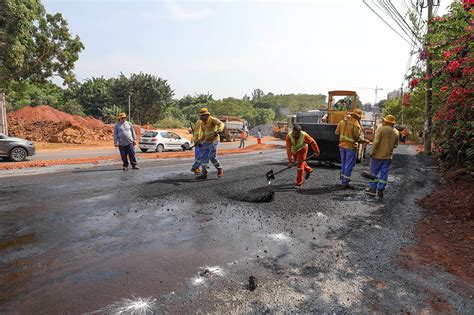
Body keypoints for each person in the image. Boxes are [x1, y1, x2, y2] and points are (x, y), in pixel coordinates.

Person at [365, 115, 399, 197]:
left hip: (377, 155)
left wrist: (372, 152)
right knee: (384, 173)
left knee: (374, 172)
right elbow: (395, 146)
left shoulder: (381, 129)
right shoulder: (396, 132)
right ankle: (381, 189)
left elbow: (376, 142)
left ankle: (372, 189)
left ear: (386, 121)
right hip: (388, 156)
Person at [335, 108, 368, 189]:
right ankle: (345, 183)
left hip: (342, 146)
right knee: (349, 165)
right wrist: (365, 141)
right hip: (351, 147)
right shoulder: (356, 124)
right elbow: (356, 138)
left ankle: (343, 179)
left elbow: (336, 132)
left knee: (344, 163)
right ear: (359, 117)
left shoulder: (343, 121)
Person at [193, 108, 225, 180]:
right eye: (200, 116)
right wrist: (199, 140)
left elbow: (221, 124)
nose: (201, 117)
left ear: (207, 115)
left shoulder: (212, 119)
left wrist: (219, 130)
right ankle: (204, 173)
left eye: (202, 116)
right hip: (206, 141)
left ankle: (220, 170)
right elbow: (204, 134)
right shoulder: (202, 123)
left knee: (212, 156)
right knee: (203, 158)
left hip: (214, 140)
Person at [286, 124, 321, 188]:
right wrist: (290, 162)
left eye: (296, 134)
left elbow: (312, 142)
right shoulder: (288, 136)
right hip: (294, 150)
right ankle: (308, 170)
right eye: (293, 133)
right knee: (300, 162)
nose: (294, 135)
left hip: (302, 149)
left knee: (299, 165)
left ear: (299, 132)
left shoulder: (304, 135)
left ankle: (299, 183)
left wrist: (317, 151)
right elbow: (288, 149)